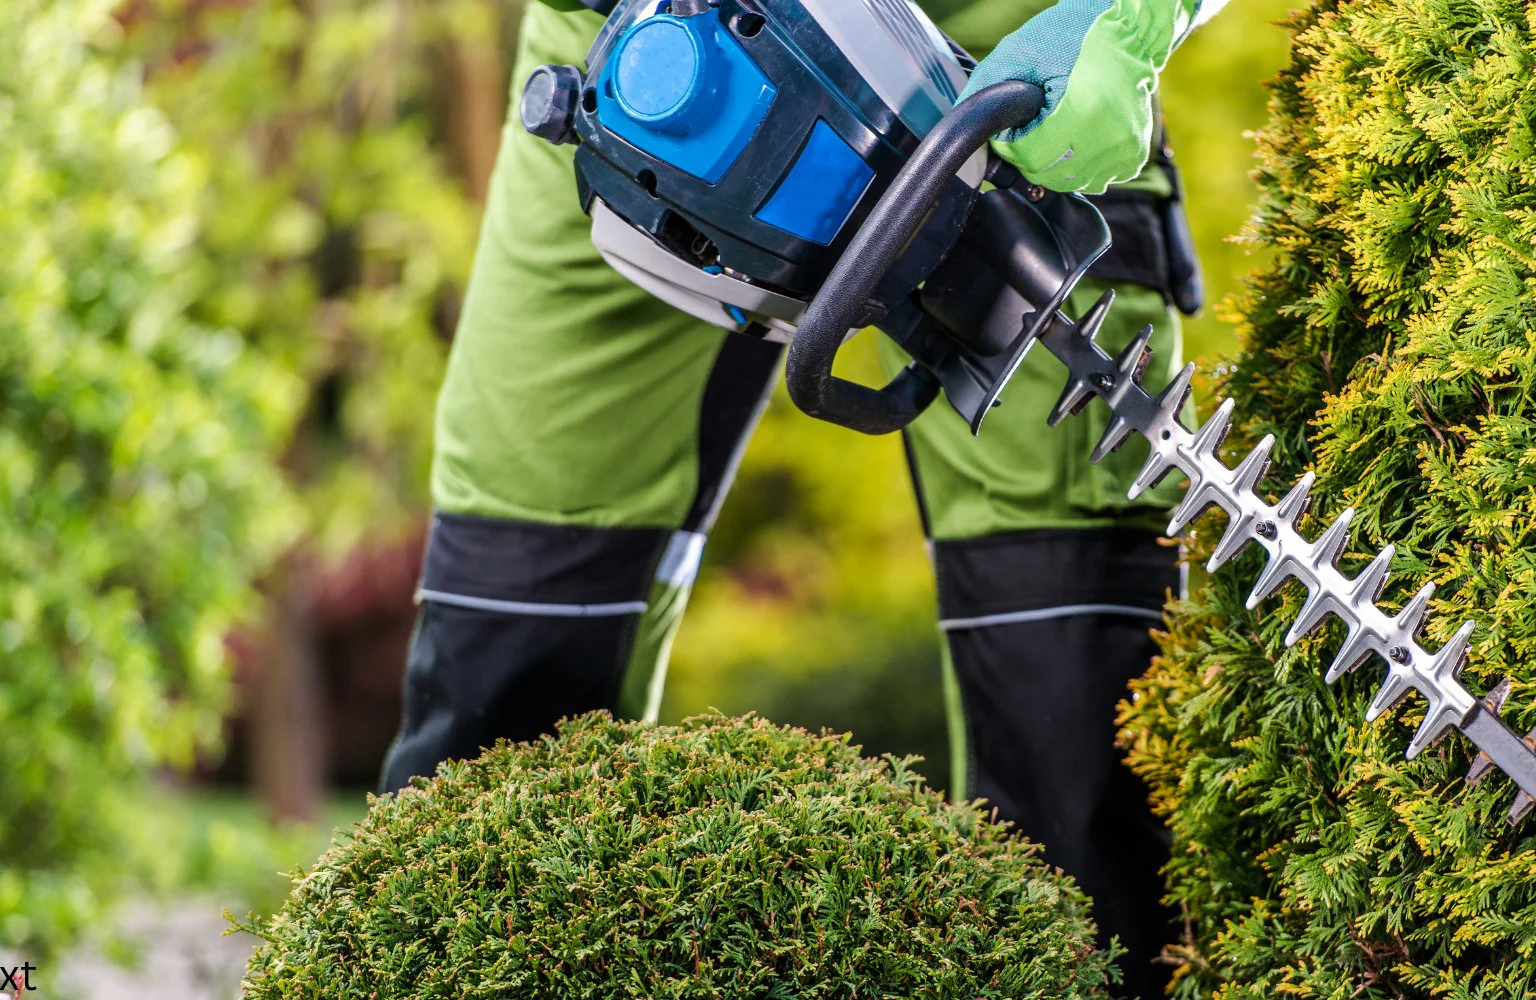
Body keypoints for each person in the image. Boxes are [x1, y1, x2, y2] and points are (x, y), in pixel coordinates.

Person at [380, 0, 1217, 994]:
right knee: (501, 662)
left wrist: (1130, 17)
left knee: (1079, 723)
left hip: (1009, 62)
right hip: (633, 65)